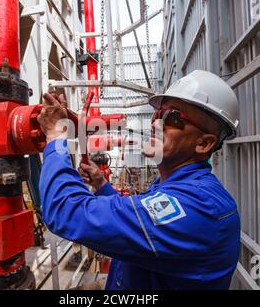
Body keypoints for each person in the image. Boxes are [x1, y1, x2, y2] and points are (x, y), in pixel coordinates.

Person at [37, 70, 240, 290]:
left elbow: (65, 211)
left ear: (204, 144)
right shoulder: (178, 186)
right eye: (156, 115)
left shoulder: (197, 207)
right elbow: (142, 224)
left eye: (172, 117)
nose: (154, 124)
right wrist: (103, 186)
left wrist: (56, 138)